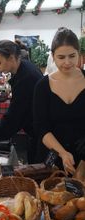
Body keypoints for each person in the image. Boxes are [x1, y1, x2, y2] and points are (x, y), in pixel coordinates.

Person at [0, 40, 43, 163]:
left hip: (41, 134)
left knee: (38, 171)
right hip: (36, 131)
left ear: (11, 57)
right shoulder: (24, 68)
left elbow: (13, 118)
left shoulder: (27, 77)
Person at [33, 27, 85, 174]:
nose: (67, 62)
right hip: (52, 158)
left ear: (79, 55)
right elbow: (41, 128)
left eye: (72, 56)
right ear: (53, 56)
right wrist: (62, 153)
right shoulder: (42, 86)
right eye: (61, 57)